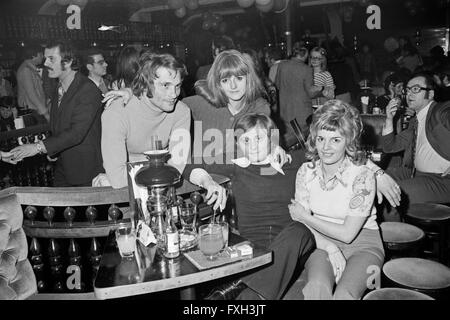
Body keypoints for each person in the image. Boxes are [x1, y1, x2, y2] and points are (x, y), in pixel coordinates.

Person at [184, 113, 316, 300]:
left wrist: (280, 148)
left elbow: (328, 150)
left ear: (271, 137)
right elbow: (189, 166)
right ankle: (246, 295)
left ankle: (232, 290)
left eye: (259, 138)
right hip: (253, 248)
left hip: (292, 246)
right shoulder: (238, 166)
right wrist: (208, 182)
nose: (252, 146)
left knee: (300, 230)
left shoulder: (292, 161)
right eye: (245, 140)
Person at [289, 100, 385, 300]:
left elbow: (348, 234)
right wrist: (328, 247)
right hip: (320, 241)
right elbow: (302, 226)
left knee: (345, 294)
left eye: (335, 140)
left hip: (365, 245)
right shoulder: (306, 172)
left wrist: (305, 216)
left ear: (348, 141)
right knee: (317, 287)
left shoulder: (363, 175)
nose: (326, 147)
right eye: (321, 138)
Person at [10, 42, 104, 187]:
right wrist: (52, 150)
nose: (45, 63)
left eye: (51, 59)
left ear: (68, 62)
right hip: (63, 167)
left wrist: (38, 147)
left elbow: (76, 132)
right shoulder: (59, 88)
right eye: (45, 58)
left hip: (85, 170)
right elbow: (59, 127)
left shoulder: (87, 90)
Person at [94, 52, 191, 188]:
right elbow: (118, 180)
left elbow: (176, 170)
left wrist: (132, 165)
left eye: (178, 86)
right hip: (124, 198)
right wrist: (160, 165)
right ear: (145, 85)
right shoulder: (116, 113)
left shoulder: (182, 112)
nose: (174, 94)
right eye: (165, 86)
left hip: (160, 193)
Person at [183, 49, 289, 165]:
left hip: (239, 177)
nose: (233, 86)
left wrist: (275, 147)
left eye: (239, 78)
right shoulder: (199, 104)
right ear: (218, 83)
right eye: (225, 80)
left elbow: (268, 137)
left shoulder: (259, 107)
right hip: (202, 176)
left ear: (248, 79)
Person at [381, 73, 450, 215]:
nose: (409, 94)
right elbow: (390, 146)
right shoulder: (415, 121)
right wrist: (389, 119)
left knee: (390, 195)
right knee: (373, 180)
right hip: (413, 172)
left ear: (430, 94)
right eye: (408, 89)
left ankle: (395, 235)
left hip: (441, 180)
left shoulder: (440, 111)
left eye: (416, 89)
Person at [275, 46, 315, 147]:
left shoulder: (281, 66)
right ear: (305, 55)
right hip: (302, 113)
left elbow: (277, 85)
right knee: (303, 142)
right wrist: (322, 90)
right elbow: (310, 92)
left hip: (285, 111)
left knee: (290, 141)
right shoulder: (307, 69)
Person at [16, 44, 49, 122]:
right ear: (34, 55)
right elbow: (32, 94)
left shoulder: (30, 68)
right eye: (41, 54)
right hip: (32, 110)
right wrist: (45, 113)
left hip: (35, 109)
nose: (43, 56)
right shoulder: (26, 70)